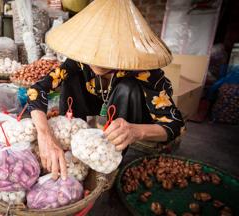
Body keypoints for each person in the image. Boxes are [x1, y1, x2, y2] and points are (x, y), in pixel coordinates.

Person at [26, 0, 185, 180]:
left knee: (128, 88)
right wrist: (44, 134)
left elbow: (175, 125)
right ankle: (75, 143)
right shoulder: (80, 59)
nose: (98, 58)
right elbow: (37, 90)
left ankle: (110, 158)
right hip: (100, 103)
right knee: (71, 79)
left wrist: (136, 131)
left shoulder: (144, 71)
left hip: (134, 116)